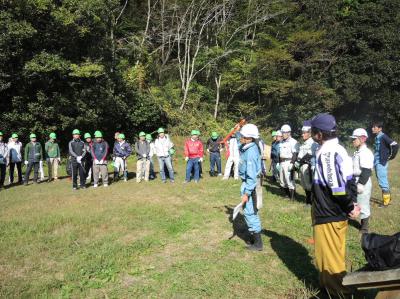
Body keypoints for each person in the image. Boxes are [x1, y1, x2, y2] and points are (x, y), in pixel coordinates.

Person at [311, 113, 360, 297]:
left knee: (330, 259)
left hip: (329, 213)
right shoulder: (339, 149)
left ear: (320, 135)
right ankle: (327, 288)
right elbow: (350, 181)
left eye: (313, 131)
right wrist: (352, 203)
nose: (312, 134)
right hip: (333, 212)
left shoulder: (327, 153)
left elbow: (338, 188)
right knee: (329, 255)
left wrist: (350, 207)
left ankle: (341, 294)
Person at [238, 124, 263, 251]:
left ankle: (258, 243)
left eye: (242, 135)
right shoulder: (246, 148)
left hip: (250, 186)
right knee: (248, 212)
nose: (240, 137)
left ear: (249, 138)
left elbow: (252, 177)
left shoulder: (251, 152)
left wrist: (247, 193)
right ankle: (253, 239)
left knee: (251, 213)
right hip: (247, 183)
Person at [351, 128, 374, 234]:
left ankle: (364, 228)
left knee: (363, 203)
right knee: (355, 201)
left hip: (362, 180)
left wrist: (361, 184)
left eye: (355, 139)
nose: (353, 141)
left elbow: (367, 170)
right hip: (356, 179)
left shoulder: (366, 153)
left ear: (362, 139)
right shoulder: (357, 152)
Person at [371, 121, 398, 207]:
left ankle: (386, 203)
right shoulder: (377, 137)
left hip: (381, 163)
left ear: (380, 129)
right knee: (382, 180)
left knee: (382, 182)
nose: (372, 128)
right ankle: (388, 198)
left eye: (375, 127)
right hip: (377, 162)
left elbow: (395, 145)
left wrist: (391, 156)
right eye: (373, 127)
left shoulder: (383, 136)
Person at [296, 121, 318, 206]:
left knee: (309, 185)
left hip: (307, 165)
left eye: (304, 133)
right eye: (302, 133)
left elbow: (309, 155)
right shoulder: (304, 143)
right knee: (304, 185)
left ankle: (311, 202)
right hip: (302, 165)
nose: (302, 135)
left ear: (309, 133)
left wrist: (299, 161)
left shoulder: (313, 143)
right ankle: (308, 200)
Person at [279, 124, 298, 200]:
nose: (282, 134)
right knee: (282, 180)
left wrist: (292, 163)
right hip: (282, 162)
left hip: (289, 162)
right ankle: (287, 195)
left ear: (289, 133)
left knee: (289, 179)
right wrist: (279, 162)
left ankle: (292, 197)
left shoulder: (293, 142)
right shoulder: (282, 142)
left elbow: (295, 153)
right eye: (282, 132)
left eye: (284, 132)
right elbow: (280, 153)